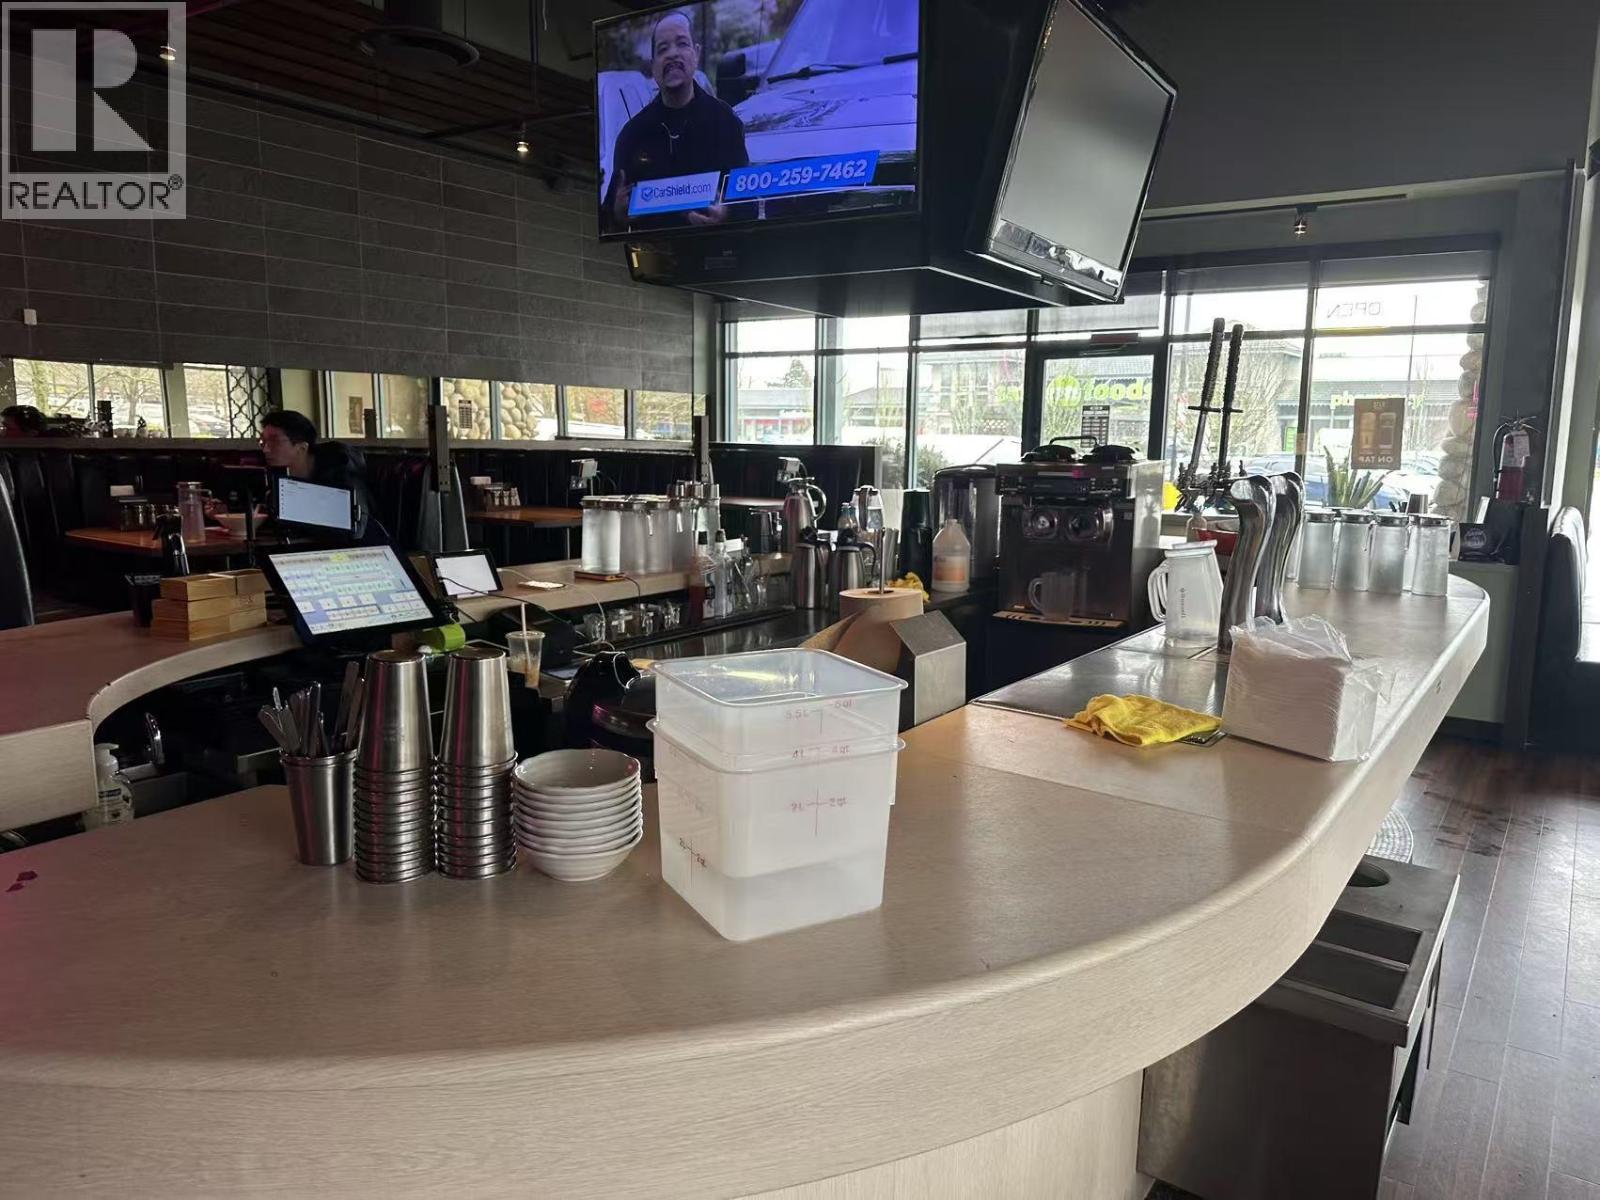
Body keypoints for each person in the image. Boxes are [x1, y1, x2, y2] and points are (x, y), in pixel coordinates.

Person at [601, 9, 749, 232]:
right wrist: (617, 215)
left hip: (717, 248)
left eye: (682, 43)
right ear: (653, 65)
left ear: (696, 54)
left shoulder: (724, 121)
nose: (672, 54)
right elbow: (608, 220)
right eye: (663, 49)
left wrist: (727, 213)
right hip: (655, 252)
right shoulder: (632, 134)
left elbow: (747, 202)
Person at [258, 410, 377, 542]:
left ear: (302, 447)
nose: (266, 449)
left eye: (275, 441)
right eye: (263, 441)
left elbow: (356, 529)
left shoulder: (341, 472)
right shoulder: (272, 476)